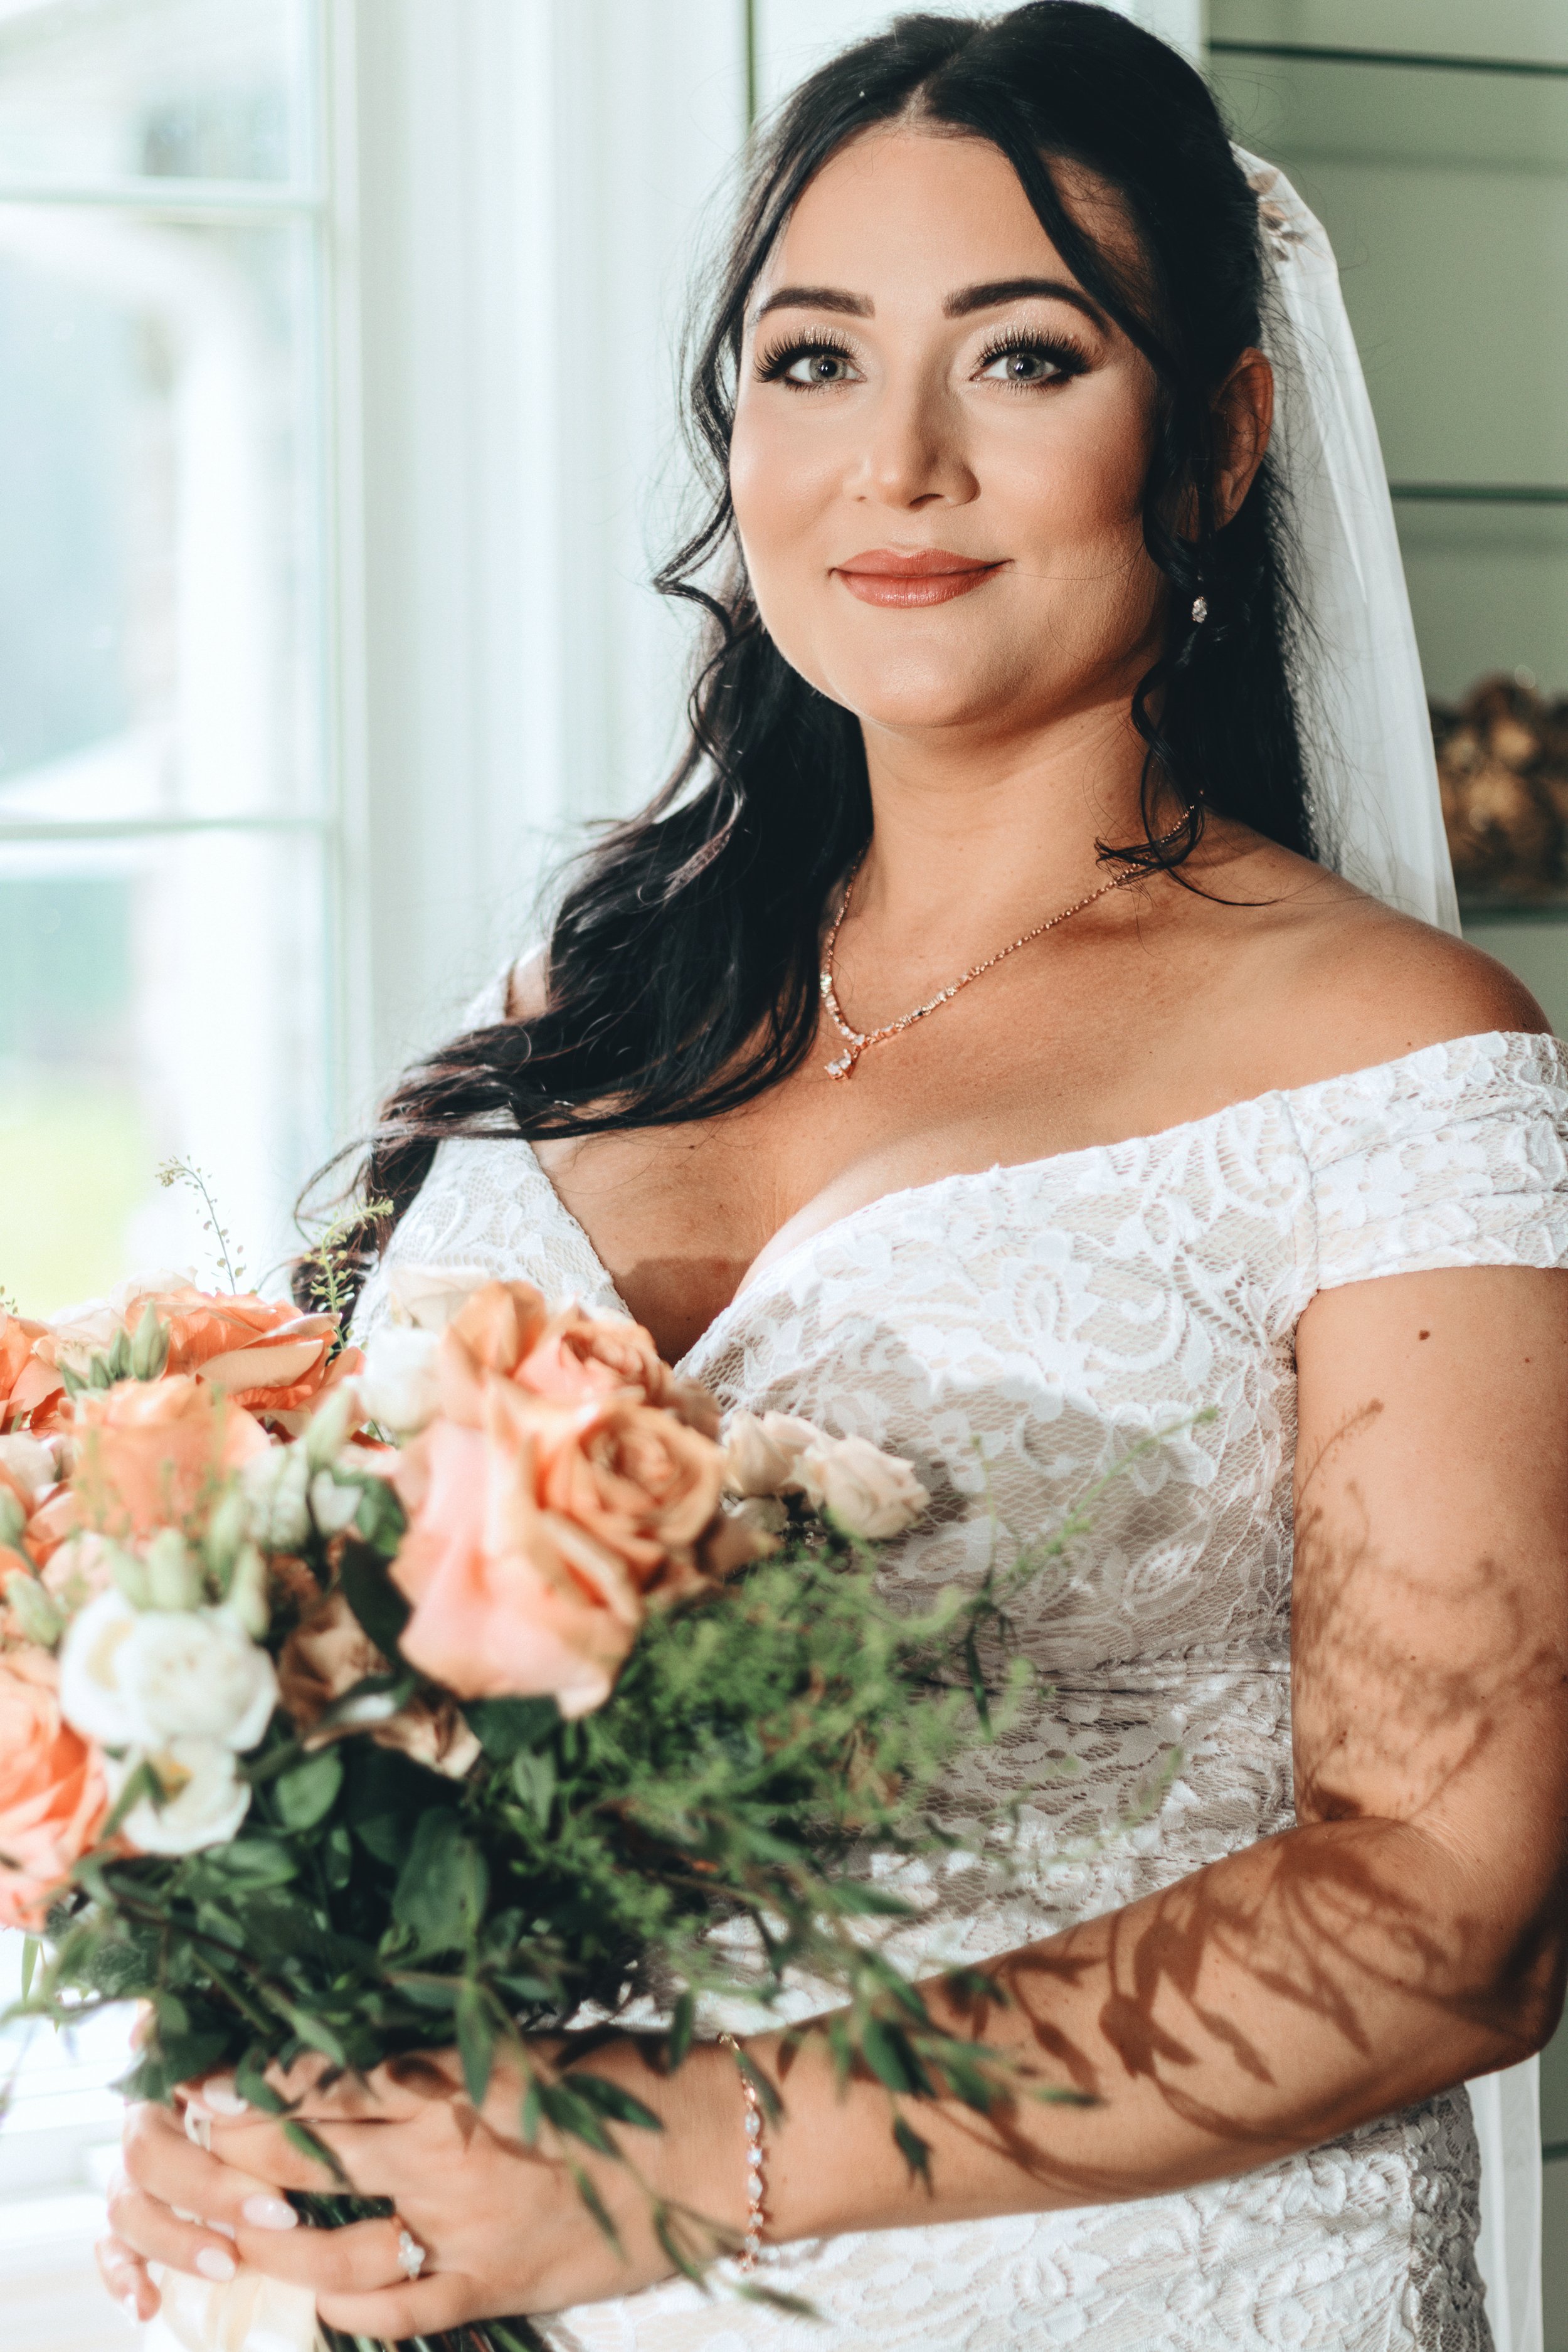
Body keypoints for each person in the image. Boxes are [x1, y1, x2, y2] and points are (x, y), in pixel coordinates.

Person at [96, 8, 1568, 2346]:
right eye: (810, 361)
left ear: (1215, 439)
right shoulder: (591, 998)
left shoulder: (1393, 1060)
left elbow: (1448, 1909)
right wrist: (262, 2056)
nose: (894, 466)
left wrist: (663, 2170)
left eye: (1020, 358)